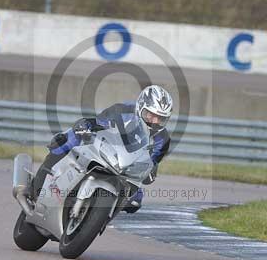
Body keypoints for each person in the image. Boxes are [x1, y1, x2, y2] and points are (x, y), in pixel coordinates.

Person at [29, 85, 173, 214]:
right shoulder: (123, 109)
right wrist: (87, 125)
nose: (155, 122)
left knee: (136, 200)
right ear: (141, 106)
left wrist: (151, 170)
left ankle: (99, 217)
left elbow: (153, 161)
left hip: (127, 167)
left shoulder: (163, 139)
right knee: (69, 138)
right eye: (151, 115)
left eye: (160, 118)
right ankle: (38, 186)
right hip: (107, 148)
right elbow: (100, 122)